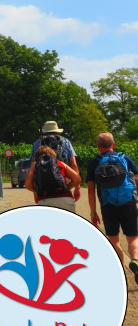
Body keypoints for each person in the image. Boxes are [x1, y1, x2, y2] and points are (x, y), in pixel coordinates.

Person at [87, 132, 138, 284]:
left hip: (108, 205)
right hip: (129, 203)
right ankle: (135, 260)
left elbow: (90, 189)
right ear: (113, 144)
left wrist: (93, 212)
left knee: (114, 240)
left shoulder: (95, 162)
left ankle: (122, 272)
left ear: (98, 146)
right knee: (133, 237)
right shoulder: (125, 158)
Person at [30, 120, 81, 202]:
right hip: (63, 179)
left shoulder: (37, 143)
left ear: (45, 132)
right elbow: (74, 164)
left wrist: (36, 192)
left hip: (43, 183)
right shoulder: (65, 142)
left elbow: (33, 169)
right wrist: (77, 187)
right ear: (57, 132)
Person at [25, 145, 81, 212]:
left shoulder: (35, 165)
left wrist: (37, 191)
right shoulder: (60, 163)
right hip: (65, 200)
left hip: (45, 201)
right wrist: (66, 187)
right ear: (53, 155)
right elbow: (77, 179)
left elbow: (28, 185)